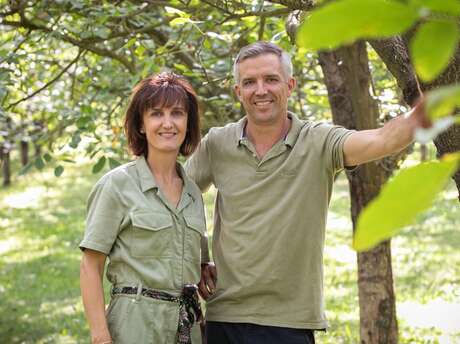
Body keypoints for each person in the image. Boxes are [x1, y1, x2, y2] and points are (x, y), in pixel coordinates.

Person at [186, 41, 427, 344]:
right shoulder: (217, 144)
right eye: (249, 82)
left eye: (271, 79)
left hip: (289, 321)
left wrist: (435, 101)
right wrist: (198, 256)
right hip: (224, 316)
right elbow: (178, 198)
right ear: (238, 92)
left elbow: (382, 140)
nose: (260, 90)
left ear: (290, 85)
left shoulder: (318, 141)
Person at [80, 72, 209, 344]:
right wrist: (100, 336)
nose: (167, 123)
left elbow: (193, 260)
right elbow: (91, 265)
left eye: (177, 113)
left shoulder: (194, 192)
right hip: (134, 326)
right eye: (156, 114)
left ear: (188, 122)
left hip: (188, 328)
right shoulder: (117, 186)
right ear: (141, 124)